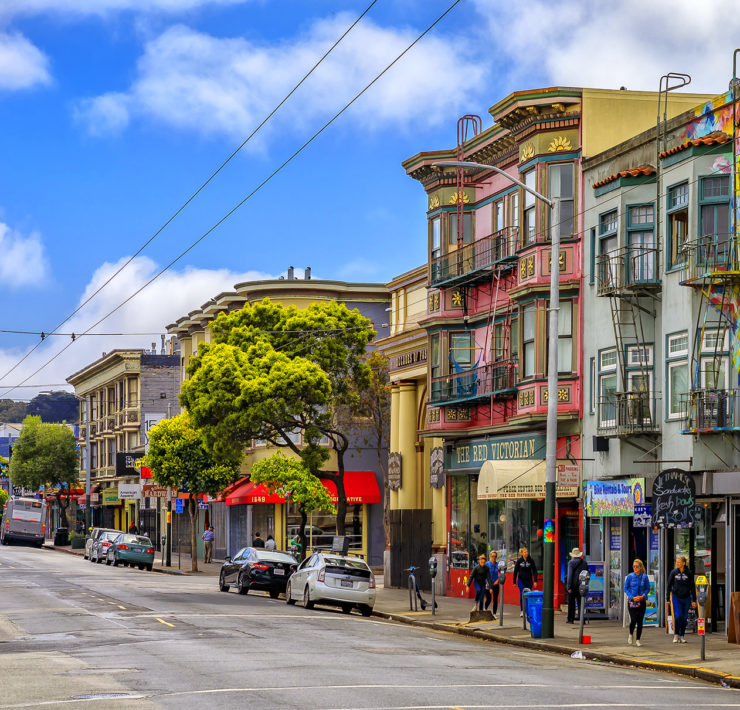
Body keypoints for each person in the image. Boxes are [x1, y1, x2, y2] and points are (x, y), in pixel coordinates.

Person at [666, 555, 696, 644]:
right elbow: (668, 585)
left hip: (686, 598)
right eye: (676, 562)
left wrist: (694, 600)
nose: (677, 563)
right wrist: (667, 598)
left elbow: (692, 587)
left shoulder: (689, 573)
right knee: (678, 615)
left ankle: (682, 635)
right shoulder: (673, 572)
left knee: (684, 617)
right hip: (676, 597)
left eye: (679, 562)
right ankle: (676, 635)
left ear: (683, 563)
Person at [624, 558, 650, 647]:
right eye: (634, 566)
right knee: (633, 619)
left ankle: (638, 639)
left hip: (641, 601)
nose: (635, 568)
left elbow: (647, 588)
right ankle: (631, 634)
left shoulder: (644, 577)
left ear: (640, 567)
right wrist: (632, 597)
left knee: (640, 621)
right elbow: (625, 588)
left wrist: (642, 596)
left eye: (637, 566)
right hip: (632, 601)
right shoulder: (630, 576)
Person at [566, 547, 589, 624]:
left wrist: (568, 586)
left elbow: (570, 575)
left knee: (571, 603)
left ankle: (570, 619)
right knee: (581, 603)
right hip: (582, 584)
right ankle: (582, 619)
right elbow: (588, 574)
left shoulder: (571, 563)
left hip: (573, 585)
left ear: (572, 555)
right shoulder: (584, 563)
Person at [513, 547, 538, 617]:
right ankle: (522, 610)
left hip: (529, 580)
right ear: (522, 553)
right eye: (525, 552)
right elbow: (515, 571)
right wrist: (514, 581)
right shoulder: (519, 561)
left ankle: (528, 610)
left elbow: (535, 570)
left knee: (528, 595)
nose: (526, 553)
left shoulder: (530, 560)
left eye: (527, 552)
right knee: (522, 594)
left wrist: (535, 580)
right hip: (521, 580)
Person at [484, 550, 501, 619]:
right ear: (490, 556)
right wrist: (485, 583)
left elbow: (501, 574)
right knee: (488, 599)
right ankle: (485, 609)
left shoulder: (498, 565)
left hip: (495, 584)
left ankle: (494, 613)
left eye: (495, 556)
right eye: (492, 556)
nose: (494, 558)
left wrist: (498, 580)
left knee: (495, 599)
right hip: (488, 584)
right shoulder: (487, 564)